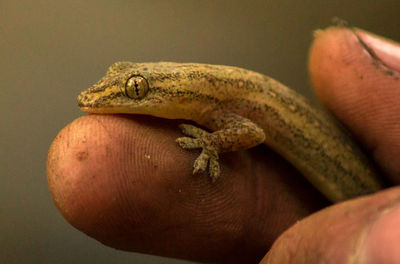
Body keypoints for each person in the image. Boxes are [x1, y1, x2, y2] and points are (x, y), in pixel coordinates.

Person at [47, 27, 400, 263]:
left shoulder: (216, 106)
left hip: (359, 186)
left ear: (181, 95)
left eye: (137, 90)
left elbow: (253, 134)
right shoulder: (208, 97)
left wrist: (212, 143)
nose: (125, 96)